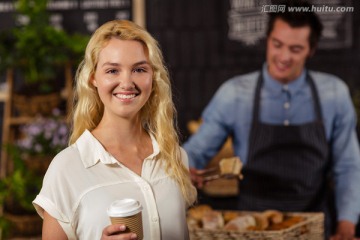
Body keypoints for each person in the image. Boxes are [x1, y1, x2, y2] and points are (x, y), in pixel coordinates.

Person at [183, 1, 360, 239]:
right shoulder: (235, 94)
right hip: (251, 227)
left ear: (311, 49)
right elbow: (196, 151)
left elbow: (348, 167)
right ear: (267, 40)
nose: (284, 56)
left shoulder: (334, 94)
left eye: (296, 49)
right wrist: (186, 169)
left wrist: (346, 225)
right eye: (277, 44)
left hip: (314, 225)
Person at [32, 19, 197, 240]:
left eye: (139, 69)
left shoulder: (174, 157)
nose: (127, 82)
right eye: (112, 70)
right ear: (93, 78)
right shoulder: (66, 168)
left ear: (153, 78)